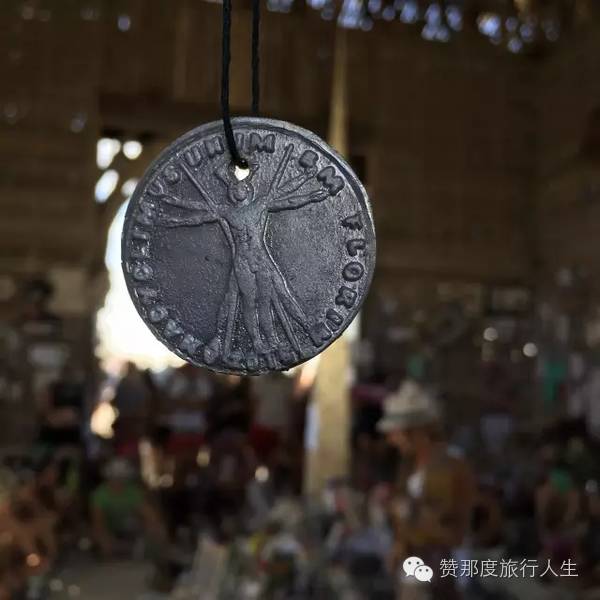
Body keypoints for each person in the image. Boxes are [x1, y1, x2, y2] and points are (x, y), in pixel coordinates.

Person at [377, 380, 475, 600]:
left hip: (439, 566)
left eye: (396, 433)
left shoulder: (450, 467)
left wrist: (407, 512)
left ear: (416, 432)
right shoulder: (410, 465)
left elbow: (450, 529)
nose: (392, 440)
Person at [91, 458, 165, 558]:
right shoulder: (100, 495)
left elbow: (149, 514)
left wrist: (154, 528)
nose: (118, 481)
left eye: (121, 478)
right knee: (102, 542)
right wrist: (104, 538)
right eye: (115, 477)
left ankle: (155, 559)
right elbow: (98, 522)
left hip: (130, 527)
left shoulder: (132, 492)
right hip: (109, 529)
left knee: (158, 530)